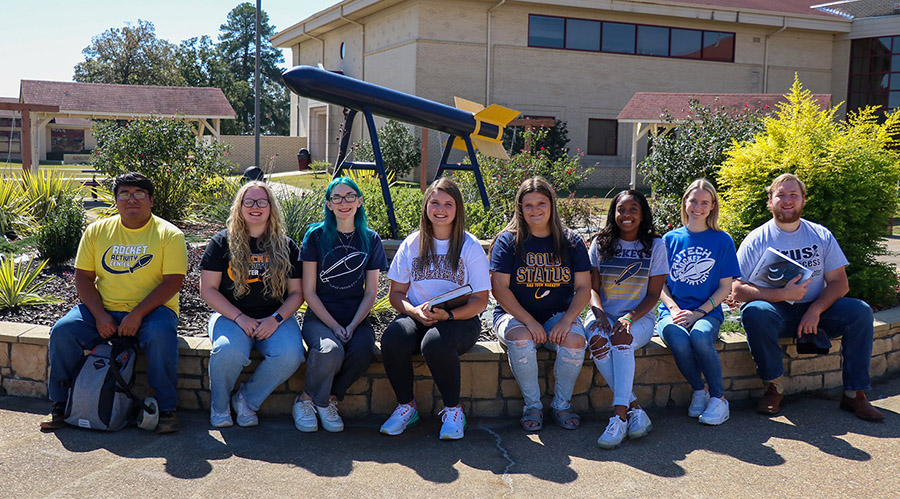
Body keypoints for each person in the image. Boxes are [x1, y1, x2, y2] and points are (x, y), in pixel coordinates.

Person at [42, 172, 187, 433]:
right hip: (104, 309)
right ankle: (60, 405)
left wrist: (137, 315)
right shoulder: (97, 231)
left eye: (139, 193)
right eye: (125, 194)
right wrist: (99, 315)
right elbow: (84, 278)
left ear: (151, 200)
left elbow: (172, 283)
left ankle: (166, 408)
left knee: (160, 334)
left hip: (154, 311)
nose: (132, 199)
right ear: (116, 200)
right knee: (63, 331)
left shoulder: (169, 235)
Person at [733, 173, 883, 421]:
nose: (787, 200)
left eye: (794, 195)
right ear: (770, 201)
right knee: (754, 311)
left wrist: (816, 310)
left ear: (803, 200)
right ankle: (774, 387)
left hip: (818, 312)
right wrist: (781, 293)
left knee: (860, 311)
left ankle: (854, 394)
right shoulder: (756, 239)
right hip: (777, 313)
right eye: (781, 195)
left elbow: (839, 283)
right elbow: (737, 290)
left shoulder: (820, 235)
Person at [379, 177, 490, 440]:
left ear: (458, 209)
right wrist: (413, 312)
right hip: (420, 314)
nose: (441, 209)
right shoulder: (412, 243)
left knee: (435, 344)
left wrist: (449, 315)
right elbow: (396, 294)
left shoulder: (470, 246)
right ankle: (407, 406)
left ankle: (454, 410)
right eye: (435, 202)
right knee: (393, 338)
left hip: (461, 319)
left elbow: (481, 300)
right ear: (426, 205)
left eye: (448, 203)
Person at [199, 181, 304, 428]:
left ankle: (246, 400)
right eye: (249, 201)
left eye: (261, 202)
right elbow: (208, 290)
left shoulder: (286, 245)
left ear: (271, 207)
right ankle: (220, 406)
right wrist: (239, 318)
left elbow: (297, 293)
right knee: (227, 351)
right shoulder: (221, 243)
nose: (255, 207)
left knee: (291, 354)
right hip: (231, 317)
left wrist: (275, 319)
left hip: (274, 319)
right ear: (240, 206)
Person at [490, 177, 590, 432]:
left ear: (551, 205)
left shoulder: (571, 241)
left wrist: (567, 320)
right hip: (515, 316)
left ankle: (561, 405)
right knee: (522, 338)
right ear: (519, 208)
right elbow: (499, 288)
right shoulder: (508, 241)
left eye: (541, 203)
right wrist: (529, 321)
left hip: (558, 315)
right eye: (528, 205)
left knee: (576, 340)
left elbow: (583, 288)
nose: (535, 210)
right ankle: (532, 406)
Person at [292, 177, 388, 433]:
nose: (343, 202)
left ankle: (326, 401)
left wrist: (353, 324)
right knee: (329, 350)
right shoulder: (316, 236)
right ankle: (304, 401)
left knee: (362, 351)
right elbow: (309, 292)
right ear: (329, 204)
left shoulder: (371, 239)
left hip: (356, 316)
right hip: (320, 318)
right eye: (337, 198)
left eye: (349, 196)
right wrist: (334, 326)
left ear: (359, 201)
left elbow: (371, 293)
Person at [586, 190, 668, 449]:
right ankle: (636, 409)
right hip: (603, 313)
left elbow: (654, 294)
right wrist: (599, 314)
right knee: (598, 340)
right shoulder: (600, 243)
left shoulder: (656, 245)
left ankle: (619, 416)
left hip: (639, 317)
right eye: (621, 209)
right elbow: (592, 289)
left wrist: (629, 319)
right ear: (614, 213)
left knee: (621, 339)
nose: (627, 215)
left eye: (633, 209)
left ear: (642, 214)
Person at [657, 179, 740, 425]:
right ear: (685, 202)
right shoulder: (670, 239)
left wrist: (699, 314)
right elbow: (659, 284)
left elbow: (726, 287)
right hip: (672, 311)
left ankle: (718, 399)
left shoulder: (722, 240)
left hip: (708, 312)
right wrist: (673, 309)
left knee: (701, 336)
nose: (698, 207)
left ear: (713, 205)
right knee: (678, 337)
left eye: (705, 202)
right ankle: (699, 390)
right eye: (693, 200)